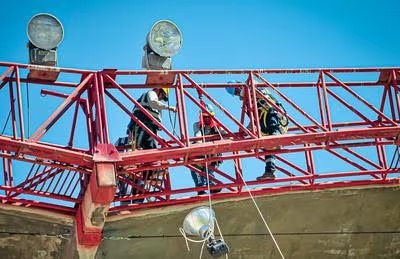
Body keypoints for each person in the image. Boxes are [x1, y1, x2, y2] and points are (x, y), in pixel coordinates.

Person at [120, 87, 177, 204]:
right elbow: (154, 103)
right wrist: (169, 108)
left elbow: (155, 113)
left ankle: (140, 188)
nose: (161, 98)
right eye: (162, 96)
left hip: (149, 128)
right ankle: (133, 186)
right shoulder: (151, 94)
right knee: (138, 155)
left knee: (151, 157)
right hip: (141, 124)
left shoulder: (155, 103)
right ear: (159, 91)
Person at [226, 81, 288, 180]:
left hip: (274, 117)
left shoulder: (253, 86)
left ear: (239, 86)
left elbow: (254, 83)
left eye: (237, 91)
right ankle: (269, 171)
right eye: (236, 93)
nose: (238, 95)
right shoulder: (248, 101)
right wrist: (247, 130)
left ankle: (276, 137)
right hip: (265, 126)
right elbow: (253, 119)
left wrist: (246, 89)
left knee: (269, 117)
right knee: (266, 145)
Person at [191, 103, 227, 195]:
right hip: (201, 152)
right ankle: (200, 187)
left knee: (209, 170)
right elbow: (197, 136)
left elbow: (225, 134)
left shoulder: (217, 126)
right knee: (194, 166)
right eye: (204, 117)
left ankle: (211, 185)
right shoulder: (197, 125)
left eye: (208, 117)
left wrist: (229, 139)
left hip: (214, 153)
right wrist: (201, 145)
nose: (206, 119)